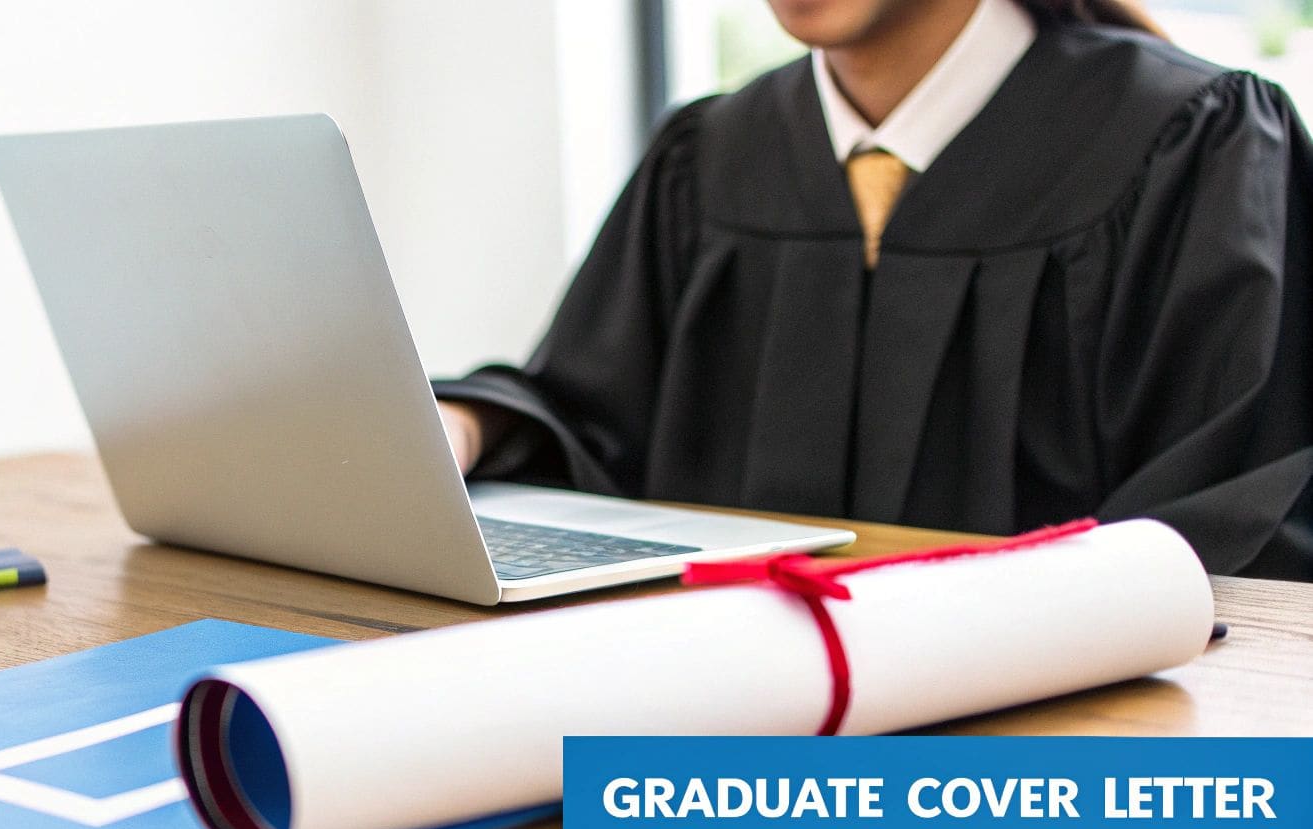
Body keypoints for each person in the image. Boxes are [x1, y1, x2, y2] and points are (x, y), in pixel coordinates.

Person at [434, 0, 1313, 580]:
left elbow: (1237, 524)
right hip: (733, 763)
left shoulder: (1195, 144)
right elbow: (592, 420)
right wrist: (468, 426)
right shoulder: (706, 160)